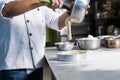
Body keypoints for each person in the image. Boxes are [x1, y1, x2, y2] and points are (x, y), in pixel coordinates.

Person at [0, 0, 89, 80]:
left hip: (37, 65)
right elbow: (6, 10)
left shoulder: (41, 3)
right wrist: (41, 1)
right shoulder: (40, 1)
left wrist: (72, 11)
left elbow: (57, 22)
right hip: (12, 67)